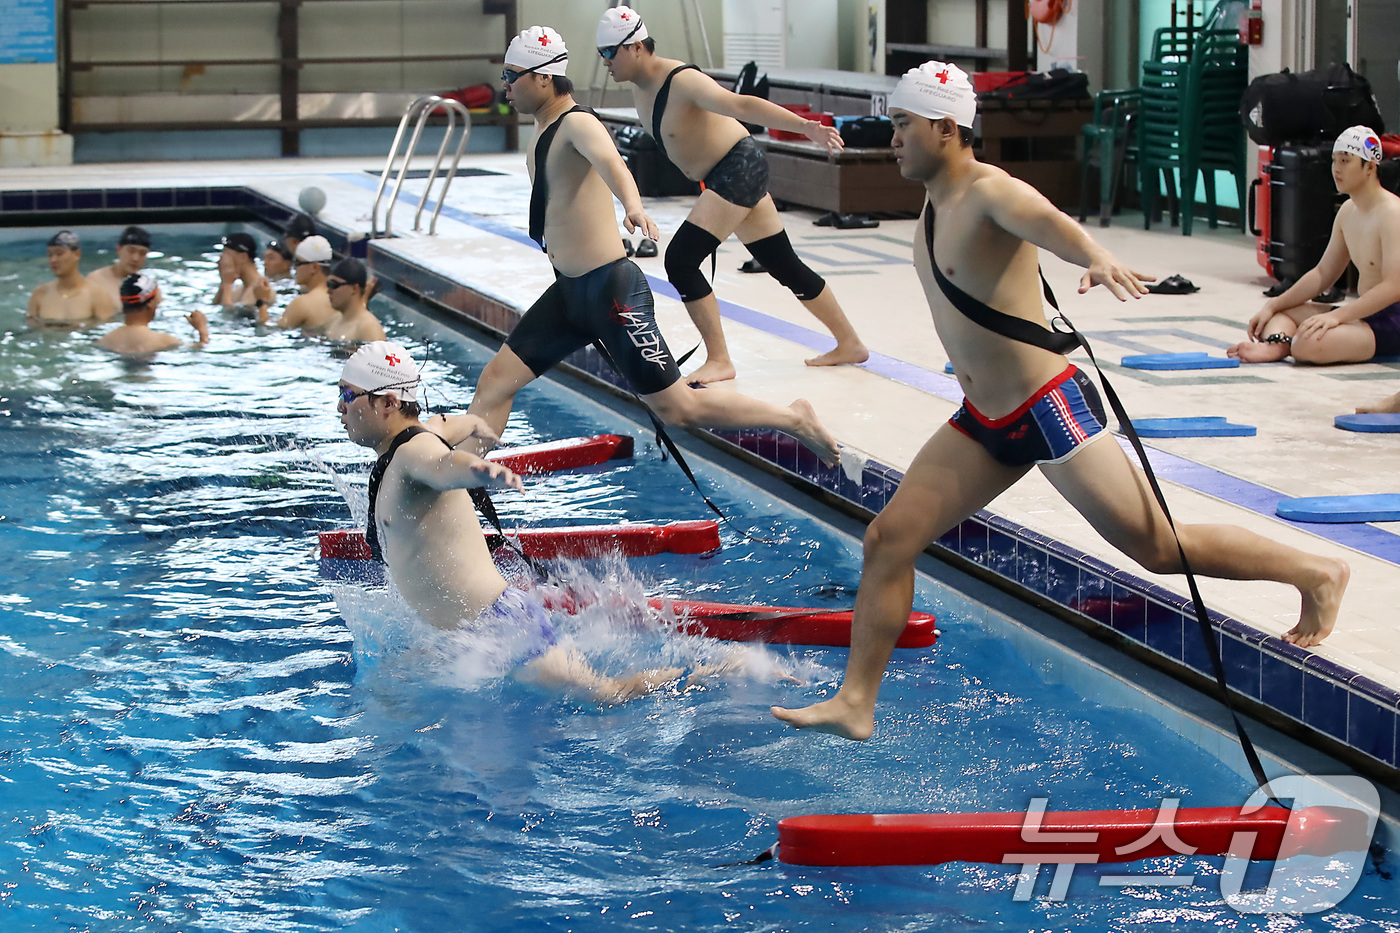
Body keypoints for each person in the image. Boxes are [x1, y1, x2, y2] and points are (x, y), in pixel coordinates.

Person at [771, 62, 1350, 741]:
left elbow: (1045, 219)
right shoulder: (935, 199)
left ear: (946, 128)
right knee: (888, 540)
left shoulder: (989, 190)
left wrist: (1095, 257)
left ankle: (1316, 570)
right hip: (984, 417)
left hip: (1048, 407)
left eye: (902, 124)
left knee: (1158, 547)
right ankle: (856, 701)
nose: (892, 137)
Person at [463, 26, 839, 469]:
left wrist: (633, 205)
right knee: (494, 383)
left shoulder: (577, 122)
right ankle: (460, 485)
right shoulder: (544, 124)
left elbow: (611, 162)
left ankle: (792, 418)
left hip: (610, 294)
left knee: (680, 408)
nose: (505, 84)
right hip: (568, 295)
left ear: (544, 77)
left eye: (512, 74)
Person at [338, 341, 704, 700]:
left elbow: (442, 465)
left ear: (388, 403)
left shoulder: (413, 453)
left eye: (348, 395)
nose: (340, 407)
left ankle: (707, 672)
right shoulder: (413, 441)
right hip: (467, 632)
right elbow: (442, 425)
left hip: (500, 629)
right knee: (389, 686)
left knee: (609, 694)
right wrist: (474, 424)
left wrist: (479, 471)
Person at [597, 6, 868, 384]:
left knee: (680, 260)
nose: (605, 62)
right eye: (601, 53)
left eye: (610, 52)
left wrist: (807, 126)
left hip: (737, 166)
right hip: (724, 173)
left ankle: (720, 359)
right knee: (782, 263)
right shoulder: (642, 90)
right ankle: (850, 342)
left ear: (637, 47)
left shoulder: (682, 80)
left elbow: (742, 104)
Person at [1228, 126, 1400, 365]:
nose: (1336, 169)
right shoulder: (1348, 212)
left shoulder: (1393, 213)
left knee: (1308, 345)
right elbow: (1323, 273)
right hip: (1363, 315)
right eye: (1334, 160)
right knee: (1280, 312)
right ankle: (1276, 347)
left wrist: (1338, 316)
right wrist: (1273, 303)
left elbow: (1394, 286)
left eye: (1345, 161)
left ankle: (1288, 345)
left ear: (1370, 167)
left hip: (1392, 322)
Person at [97, 273, 209, 354]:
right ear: (150, 303)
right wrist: (202, 330)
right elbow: (203, 349)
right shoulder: (164, 341)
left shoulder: (104, 341)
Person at [27, 231, 115, 325]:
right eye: (50, 255)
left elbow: (106, 335)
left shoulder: (98, 295)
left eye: (59, 253)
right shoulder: (39, 294)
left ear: (77, 254)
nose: (53, 260)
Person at [272, 235, 338, 332]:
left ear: (314, 267)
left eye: (298, 262)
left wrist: (261, 305)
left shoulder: (302, 304)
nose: (294, 268)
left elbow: (270, 331)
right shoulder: (341, 299)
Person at [323, 258, 387, 343]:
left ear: (354, 288)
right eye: (328, 284)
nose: (328, 291)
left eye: (334, 285)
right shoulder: (334, 320)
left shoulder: (369, 328)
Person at [87, 226, 152, 308]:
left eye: (142, 253)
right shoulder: (95, 280)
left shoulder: (148, 285)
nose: (136, 258)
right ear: (118, 249)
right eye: (131, 251)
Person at [213, 232, 276, 317]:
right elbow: (215, 307)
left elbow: (228, 317)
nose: (221, 261)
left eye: (226, 256)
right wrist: (223, 283)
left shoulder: (260, 288)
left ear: (243, 257)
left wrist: (227, 284)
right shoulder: (240, 289)